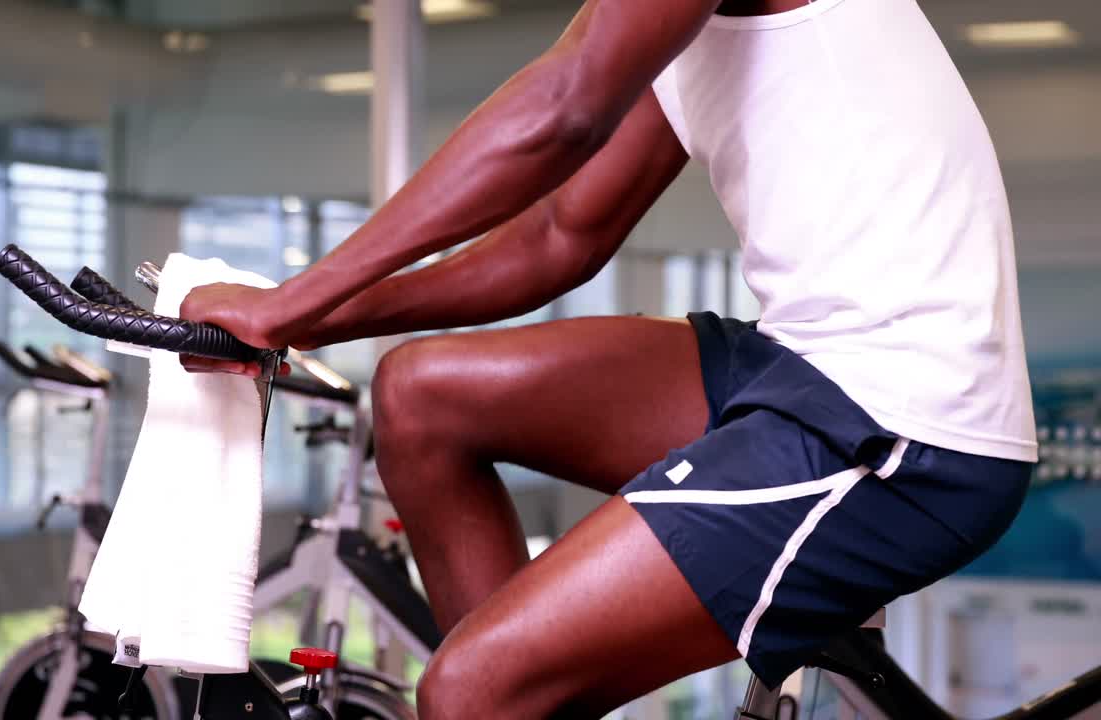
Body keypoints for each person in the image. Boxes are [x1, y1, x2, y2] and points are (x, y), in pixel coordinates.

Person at [180, 0, 1038, 717]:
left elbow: (565, 108)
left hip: (908, 425)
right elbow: (562, 235)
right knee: (420, 395)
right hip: (805, 365)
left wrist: (288, 302)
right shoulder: (680, 31)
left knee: (472, 692)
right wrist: (317, 316)